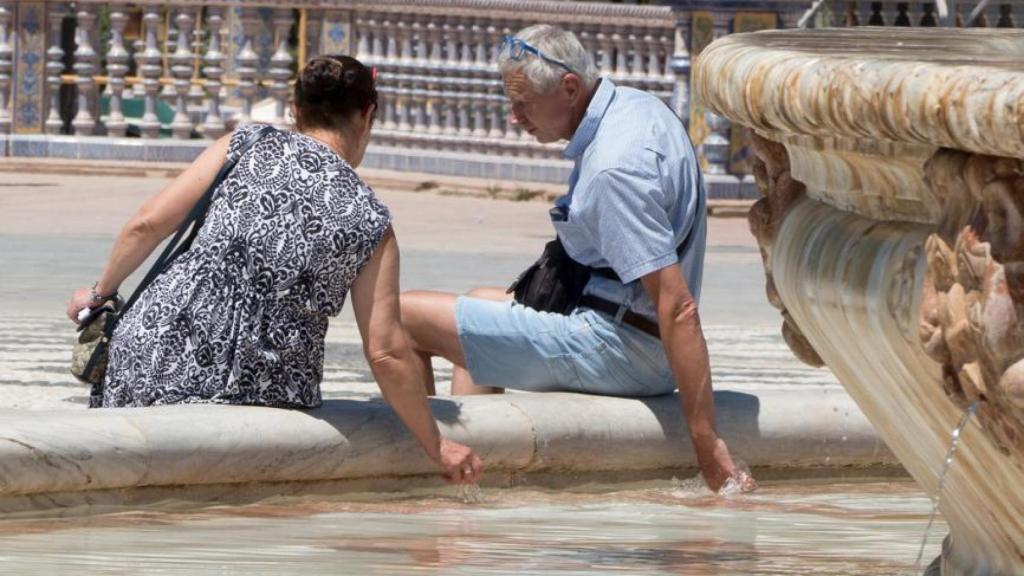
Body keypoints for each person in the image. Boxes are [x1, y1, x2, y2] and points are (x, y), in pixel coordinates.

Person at [65, 55, 483, 485]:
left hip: (153, 346)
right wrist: (437, 444)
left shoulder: (246, 144)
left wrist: (98, 294)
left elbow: (148, 224)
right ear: (367, 114)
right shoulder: (370, 219)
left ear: (295, 110)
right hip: (260, 384)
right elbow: (385, 352)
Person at [400, 26, 753, 492]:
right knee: (476, 305)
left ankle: (427, 476)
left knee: (402, 316)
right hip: (632, 328)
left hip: (623, 349)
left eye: (524, 104)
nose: (514, 117)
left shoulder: (614, 169)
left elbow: (678, 306)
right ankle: (475, 482)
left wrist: (707, 443)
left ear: (569, 88)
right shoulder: (640, 107)